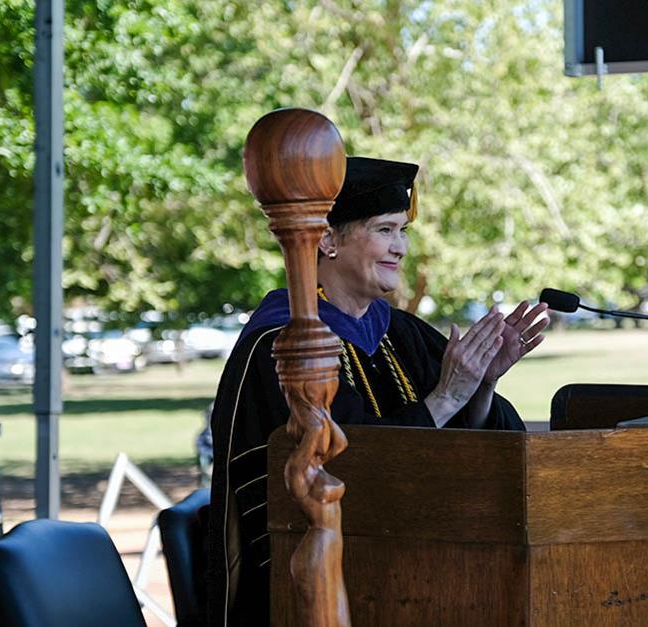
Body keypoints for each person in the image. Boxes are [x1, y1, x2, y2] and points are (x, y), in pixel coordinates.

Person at [207, 156, 548, 626]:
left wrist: (482, 384)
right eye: (386, 230)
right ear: (327, 239)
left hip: (415, 569)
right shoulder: (286, 345)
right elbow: (349, 475)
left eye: (403, 232)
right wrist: (447, 396)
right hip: (304, 588)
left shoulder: (401, 333)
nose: (401, 248)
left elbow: (484, 451)